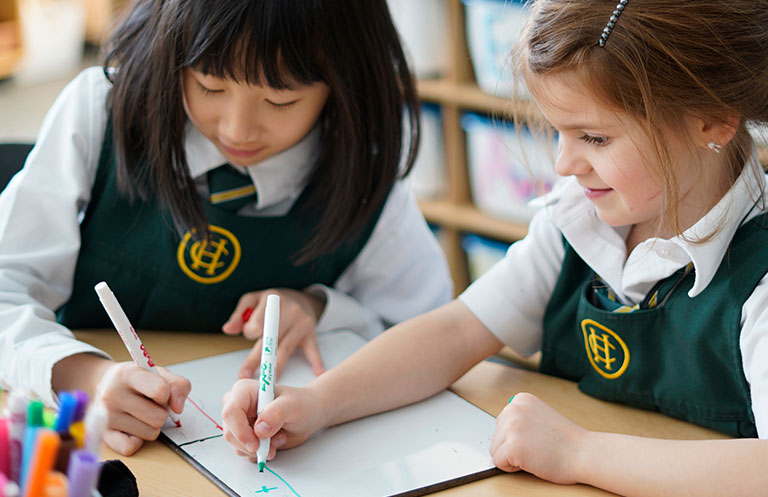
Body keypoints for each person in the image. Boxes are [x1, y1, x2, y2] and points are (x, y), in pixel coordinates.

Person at [220, 0, 768, 494]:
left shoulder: (759, 276)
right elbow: (458, 329)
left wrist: (577, 452)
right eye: (557, 132)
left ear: (711, 120)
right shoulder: (578, 220)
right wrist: (318, 402)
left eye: (595, 138)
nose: (563, 164)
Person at [0, 0, 452, 456]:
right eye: (209, 85)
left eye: (281, 100)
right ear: (170, 50)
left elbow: (433, 335)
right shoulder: (101, 111)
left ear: (345, 84)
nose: (238, 130)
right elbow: (5, 288)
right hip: (98, 448)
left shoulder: (363, 171)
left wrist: (318, 308)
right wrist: (84, 377)